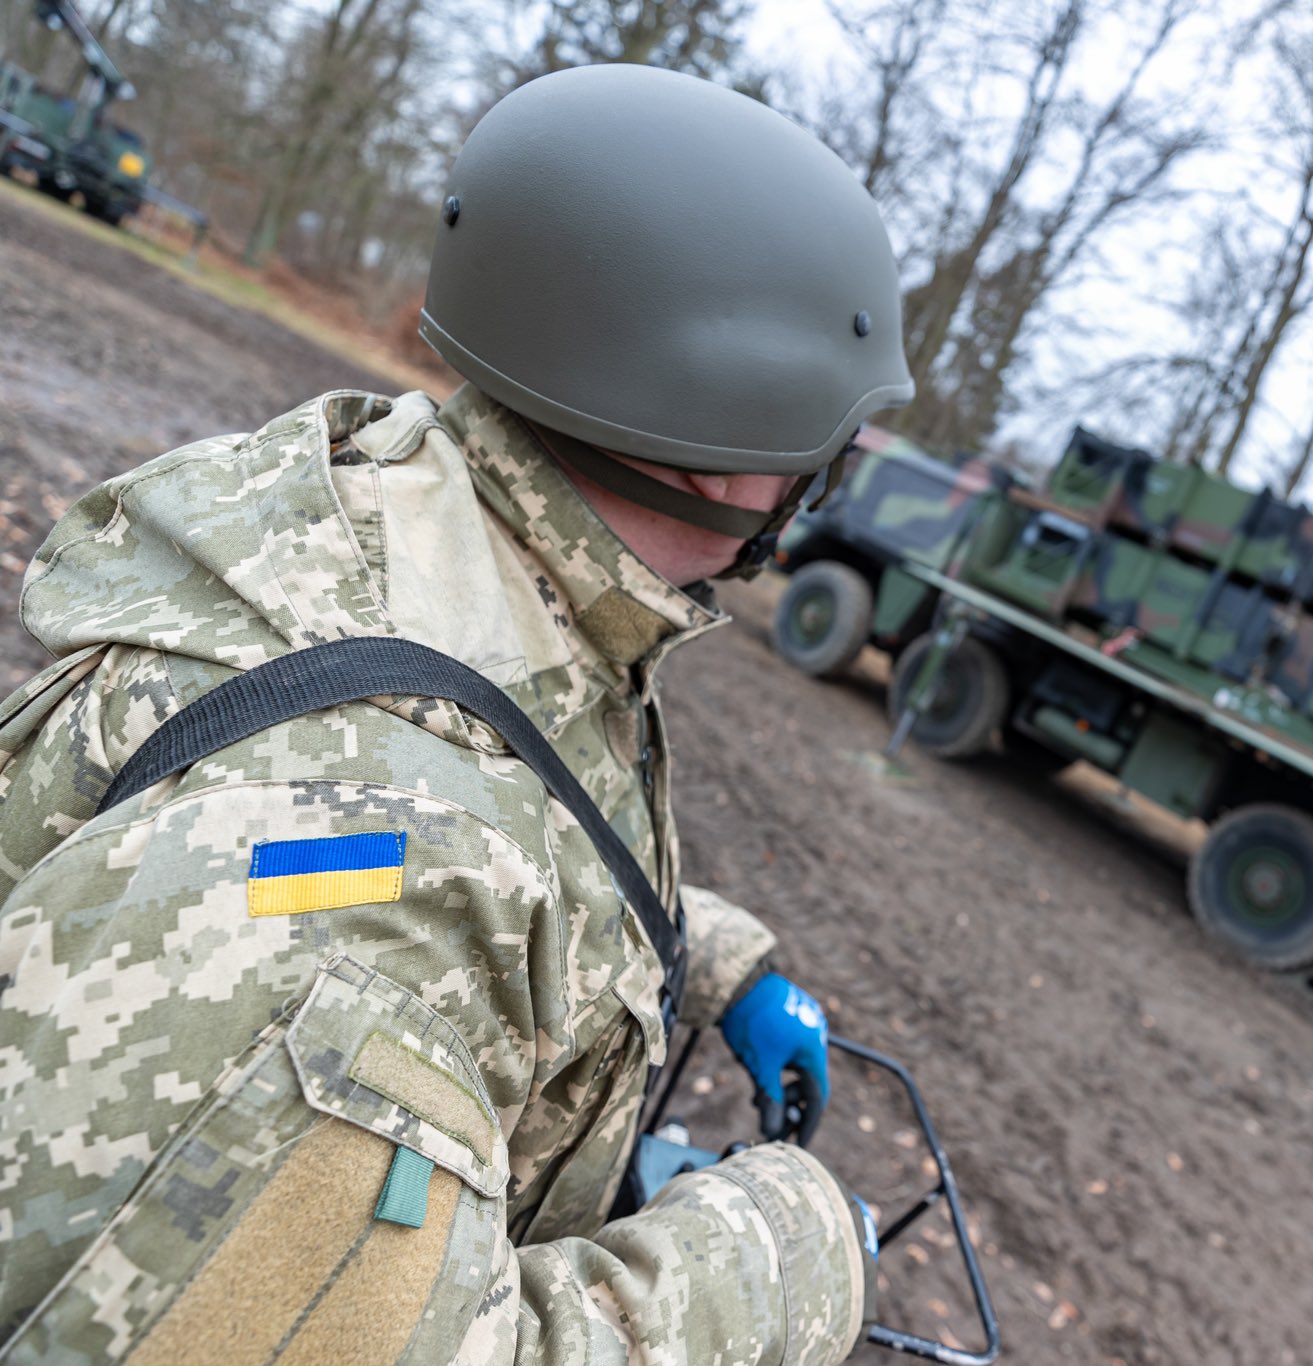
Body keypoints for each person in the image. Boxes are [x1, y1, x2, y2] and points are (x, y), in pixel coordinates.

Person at [0, 64, 911, 1363]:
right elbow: (358, 877)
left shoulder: (455, 536)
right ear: (722, 433)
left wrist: (706, 954)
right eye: (827, 435)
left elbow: (434, 844)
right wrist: (775, 1260)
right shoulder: (365, 839)